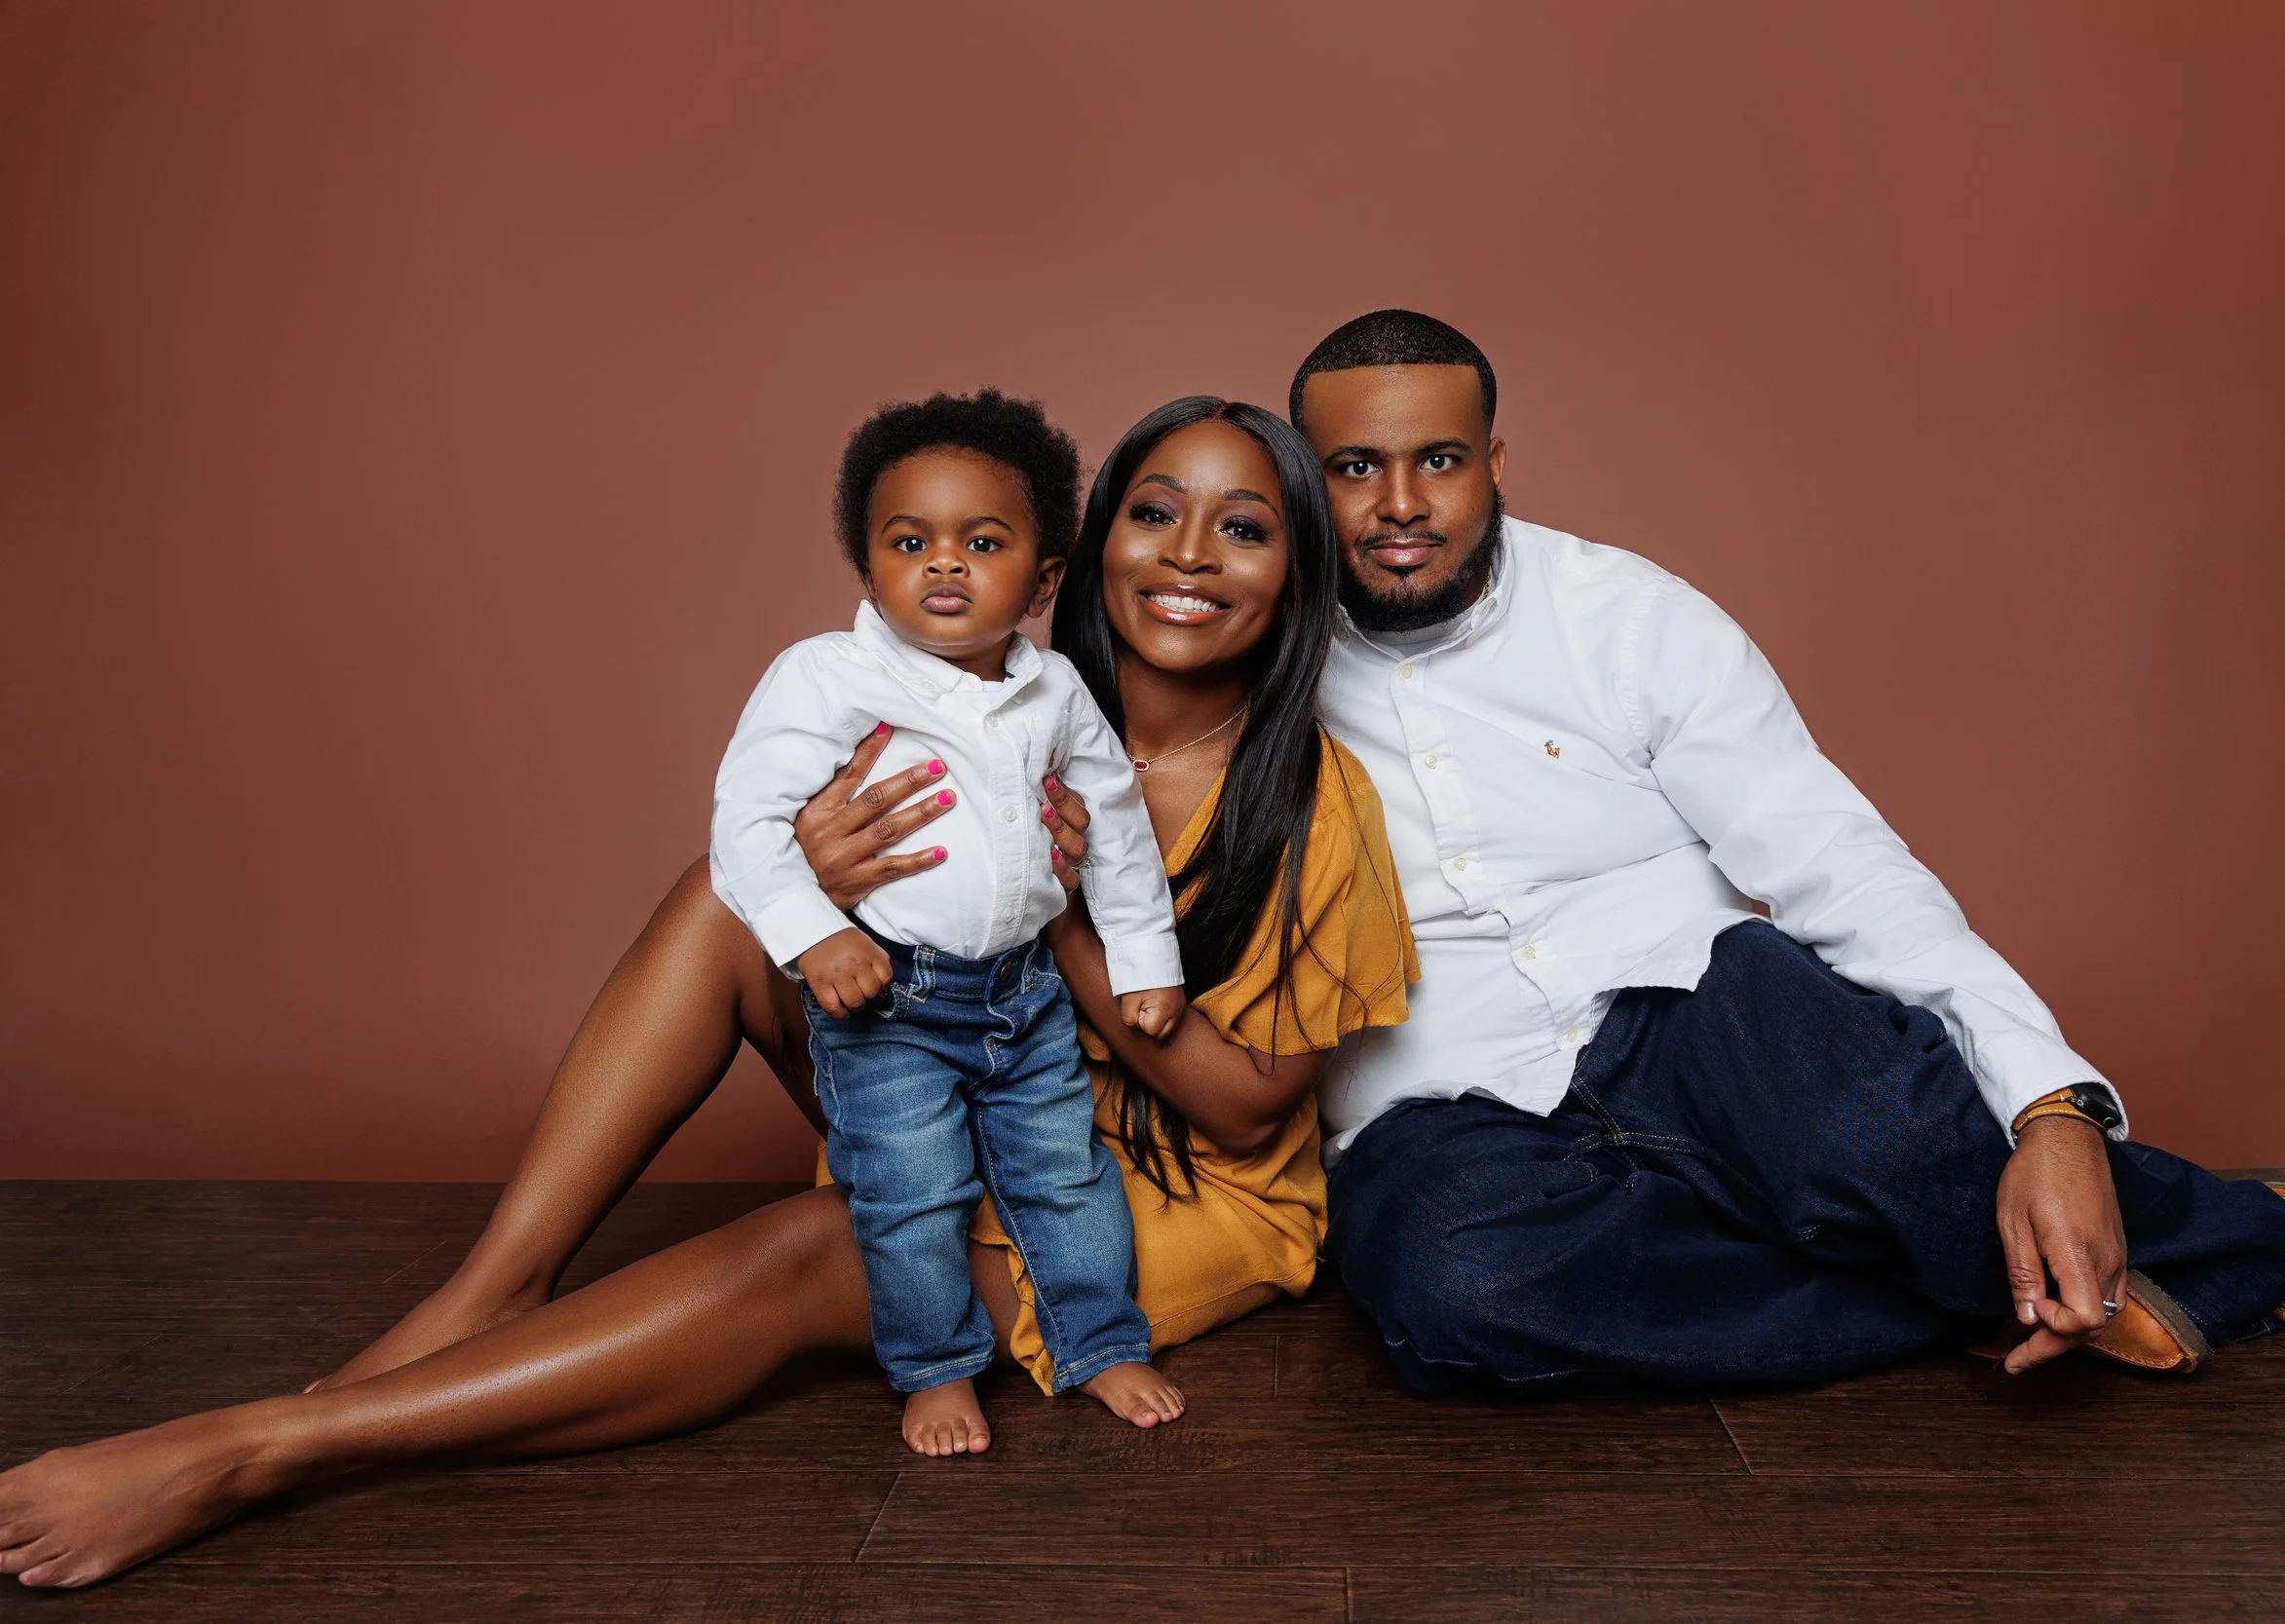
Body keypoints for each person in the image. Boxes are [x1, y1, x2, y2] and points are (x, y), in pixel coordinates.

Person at [0, 395, 1417, 1588]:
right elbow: (793, 855)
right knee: (721, 889)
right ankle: (492, 1292)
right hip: (941, 1065)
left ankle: (264, 1446)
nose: (1188, 554)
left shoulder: (1309, 799)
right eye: (1154, 511)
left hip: (1173, 1184)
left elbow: (1245, 1112)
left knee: (814, 1245)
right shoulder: (979, 692)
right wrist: (811, 872)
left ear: (1293, 574)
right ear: (1080, 550)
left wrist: (1050, 916)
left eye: (1244, 527)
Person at [1294, 308, 2285, 1389]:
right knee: (1460, 1290)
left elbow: (1837, 862)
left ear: (1494, 460)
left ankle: (2241, 1241)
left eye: (1437, 460)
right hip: (1439, 1082)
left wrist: (2049, 1105)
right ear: (1303, 478)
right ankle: (2088, 1268)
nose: (1400, 503)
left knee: (1882, 1136)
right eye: (1354, 468)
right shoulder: (1253, 657)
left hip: (1690, 1002)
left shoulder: (1629, 619)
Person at [711, 390, 1189, 1450]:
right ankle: (934, 1366)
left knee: (1064, 1175)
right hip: (891, 995)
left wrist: (1145, 958)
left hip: (1025, 996)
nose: (943, 564)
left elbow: (1111, 824)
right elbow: (743, 821)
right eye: (909, 541)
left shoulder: (1055, 691)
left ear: (1044, 576)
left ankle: (1101, 1343)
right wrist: (814, 933)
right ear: (868, 568)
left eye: (981, 541)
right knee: (912, 1191)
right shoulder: (828, 677)